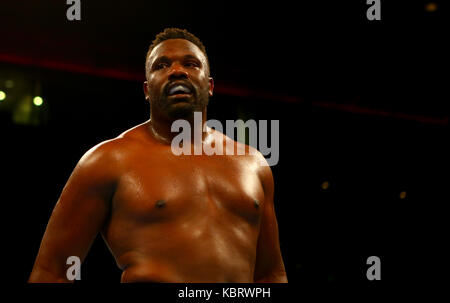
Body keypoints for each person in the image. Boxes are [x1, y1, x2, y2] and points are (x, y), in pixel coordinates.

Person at [28, 28, 287, 283]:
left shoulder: (253, 164)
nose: (177, 71)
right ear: (146, 90)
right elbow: (52, 272)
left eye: (190, 63)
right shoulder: (107, 160)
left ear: (209, 86)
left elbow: (271, 274)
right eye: (161, 65)